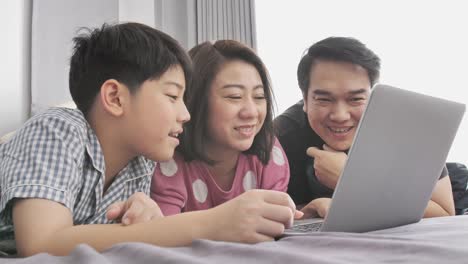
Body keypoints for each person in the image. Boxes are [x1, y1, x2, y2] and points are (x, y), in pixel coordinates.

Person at [0, 23, 300, 257]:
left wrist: (148, 223)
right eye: (172, 96)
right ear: (115, 97)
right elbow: (41, 244)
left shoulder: (140, 166)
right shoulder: (59, 130)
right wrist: (212, 223)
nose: (185, 114)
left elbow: (101, 241)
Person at [274, 36, 455, 218]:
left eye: (355, 99)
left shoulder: (408, 128)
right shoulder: (281, 136)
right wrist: (313, 208)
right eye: (324, 99)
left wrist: (351, 183)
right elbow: (274, 220)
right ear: (304, 100)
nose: (340, 115)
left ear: (373, 95)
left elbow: (445, 213)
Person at [151, 40, 291, 215]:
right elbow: (164, 231)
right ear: (195, 100)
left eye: (259, 96)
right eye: (235, 96)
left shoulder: (268, 151)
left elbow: (274, 223)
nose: (251, 112)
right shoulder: (168, 156)